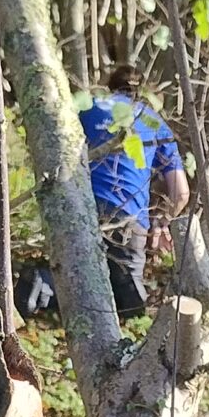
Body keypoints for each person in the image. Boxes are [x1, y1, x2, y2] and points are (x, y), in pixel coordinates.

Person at [78, 88, 188, 319]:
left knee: (77, 273)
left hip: (82, 205)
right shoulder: (151, 119)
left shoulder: (86, 107)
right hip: (128, 213)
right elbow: (181, 194)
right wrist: (160, 223)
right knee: (130, 303)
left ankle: (40, 283)